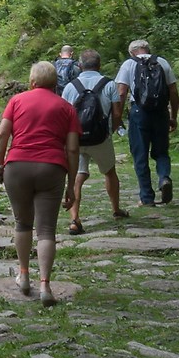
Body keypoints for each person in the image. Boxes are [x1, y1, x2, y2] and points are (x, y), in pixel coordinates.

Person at [0, 60, 79, 305]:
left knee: (22, 224)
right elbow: (72, 150)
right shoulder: (66, 107)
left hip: (17, 166)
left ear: (32, 81)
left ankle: (23, 275)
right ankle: (45, 285)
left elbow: (2, 135)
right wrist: (72, 183)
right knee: (46, 230)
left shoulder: (17, 101)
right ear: (55, 83)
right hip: (52, 168)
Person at [60, 48, 126, 232]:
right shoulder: (109, 84)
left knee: (76, 178)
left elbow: (64, 115)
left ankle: (74, 219)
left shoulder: (70, 86)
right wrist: (111, 130)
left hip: (76, 139)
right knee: (110, 172)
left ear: (80, 65)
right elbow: (117, 112)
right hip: (100, 139)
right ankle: (115, 209)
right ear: (99, 65)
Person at [115, 38, 179, 206]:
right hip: (160, 112)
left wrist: (117, 117)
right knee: (161, 151)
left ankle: (147, 197)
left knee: (140, 154)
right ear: (148, 49)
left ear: (132, 52)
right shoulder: (162, 62)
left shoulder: (128, 64)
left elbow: (122, 92)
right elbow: (173, 91)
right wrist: (173, 115)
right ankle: (164, 177)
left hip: (139, 112)